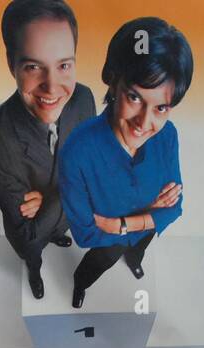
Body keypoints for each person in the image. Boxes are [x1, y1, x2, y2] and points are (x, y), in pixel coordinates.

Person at [58, 16, 191, 308]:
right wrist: (151, 212)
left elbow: (176, 207)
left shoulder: (167, 135)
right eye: (134, 97)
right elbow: (84, 232)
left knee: (139, 249)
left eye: (161, 107)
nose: (145, 122)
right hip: (108, 245)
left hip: (142, 233)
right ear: (113, 79)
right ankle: (80, 283)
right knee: (94, 267)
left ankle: (135, 258)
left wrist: (119, 223)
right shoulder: (78, 149)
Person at [0, 0, 96, 299]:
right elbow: (27, 230)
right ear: (10, 63)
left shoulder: (83, 99)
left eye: (64, 65)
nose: (52, 87)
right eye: (33, 67)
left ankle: (57, 234)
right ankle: (35, 272)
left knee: (54, 229)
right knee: (33, 251)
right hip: (30, 238)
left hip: (58, 217)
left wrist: (49, 197)